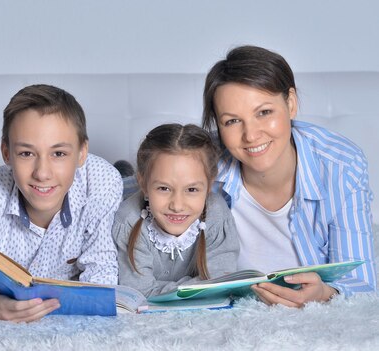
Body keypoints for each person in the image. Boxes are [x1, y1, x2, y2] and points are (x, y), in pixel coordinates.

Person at [201, 45, 376, 307]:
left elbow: (361, 284)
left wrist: (324, 294)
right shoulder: (204, 163)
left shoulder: (341, 165)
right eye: (232, 121)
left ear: (291, 103)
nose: (251, 135)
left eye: (264, 112)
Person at [0, 84, 123, 322]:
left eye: (59, 154)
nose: (42, 173)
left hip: (114, 186)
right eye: (26, 153)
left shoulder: (102, 183)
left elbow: (102, 283)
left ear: (82, 152)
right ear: (6, 152)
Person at [113, 124, 239, 297]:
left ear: (210, 184)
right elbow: (139, 292)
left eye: (192, 190)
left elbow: (221, 280)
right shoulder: (127, 219)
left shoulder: (216, 212)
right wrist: (198, 284)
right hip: (130, 193)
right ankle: (121, 172)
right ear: (143, 184)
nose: (177, 206)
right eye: (164, 188)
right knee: (116, 183)